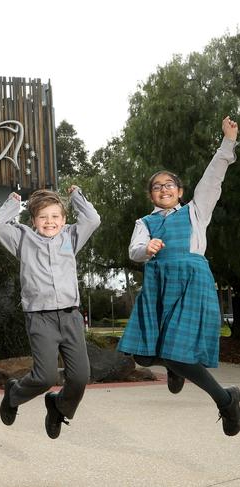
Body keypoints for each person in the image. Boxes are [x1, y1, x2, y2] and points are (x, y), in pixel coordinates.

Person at [118, 116, 240, 436]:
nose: (163, 189)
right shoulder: (144, 222)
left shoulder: (196, 210)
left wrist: (227, 142)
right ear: (151, 196)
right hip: (157, 283)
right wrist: (147, 248)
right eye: (157, 187)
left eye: (169, 185)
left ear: (180, 191)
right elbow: (134, 251)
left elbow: (213, 177)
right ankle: (174, 367)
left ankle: (226, 400)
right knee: (143, 354)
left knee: (175, 352)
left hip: (190, 280)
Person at [0, 185, 100, 438]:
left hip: (70, 316)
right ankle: (14, 394)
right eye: (43, 217)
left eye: (55, 216)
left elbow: (93, 219)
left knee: (81, 377)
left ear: (64, 219)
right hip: (40, 318)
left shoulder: (71, 237)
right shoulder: (22, 238)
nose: (50, 222)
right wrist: (12, 204)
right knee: (45, 376)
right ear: (33, 220)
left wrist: (76, 196)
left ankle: (59, 406)